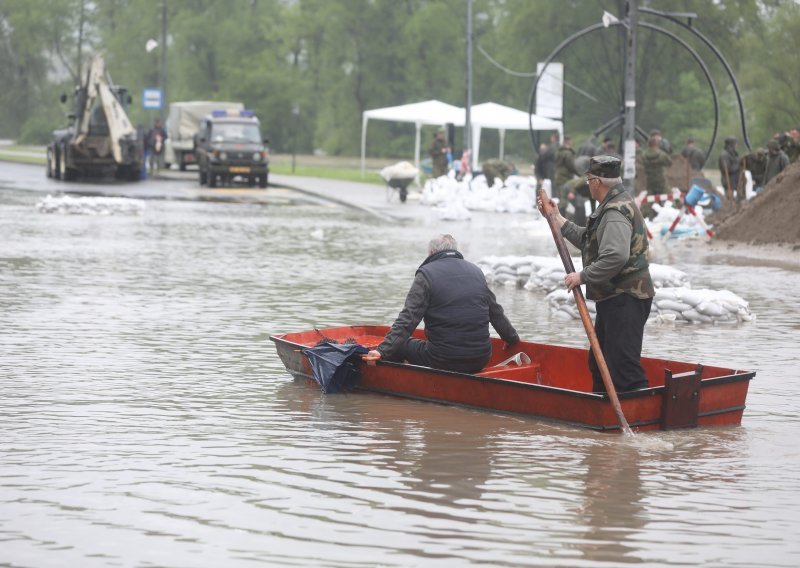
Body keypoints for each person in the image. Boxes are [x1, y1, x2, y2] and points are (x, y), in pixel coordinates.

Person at [538, 155, 655, 393]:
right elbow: (590, 242)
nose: (588, 184)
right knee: (600, 363)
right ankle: (603, 414)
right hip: (614, 298)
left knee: (622, 366)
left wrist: (582, 276)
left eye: (589, 179)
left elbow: (615, 256)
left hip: (626, 297)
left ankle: (639, 417)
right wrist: (557, 219)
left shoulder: (614, 212)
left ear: (596, 182)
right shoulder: (611, 205)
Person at [367, 234, 520, 374]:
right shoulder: (476, 272)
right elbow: (496, 312)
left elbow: (408, 319)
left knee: (399, 345)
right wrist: (511, 337)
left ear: (431, 253)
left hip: (443, 360)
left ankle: (403, 385)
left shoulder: (426, 274)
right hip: (480, 359)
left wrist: (382, 351)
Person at [641, 135, 672, 219]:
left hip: (650, 181)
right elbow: (669, 163)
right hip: (661, 181)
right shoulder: (662, 154)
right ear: (657, 144)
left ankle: (648, 216)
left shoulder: (644, 155)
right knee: (669, 197)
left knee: (649, 199)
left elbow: (642, 164)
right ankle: (670, 213)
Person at [718, 136, 740, 201]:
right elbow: (726, 169)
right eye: (735, 143)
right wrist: (738, 166)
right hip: (728, 181)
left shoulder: (733, 154)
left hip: (735, 181)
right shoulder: (724, 155)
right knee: (729, 199)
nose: (736, 145)